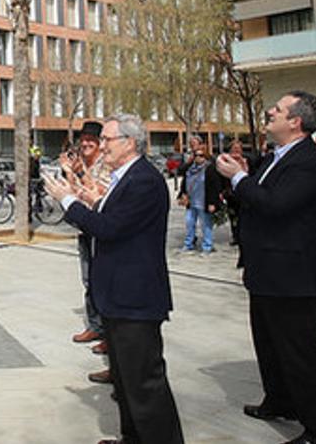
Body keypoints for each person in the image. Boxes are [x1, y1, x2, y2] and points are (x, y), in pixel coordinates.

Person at [45, 114, 184, 444]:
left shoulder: (144, 180)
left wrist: (68, 200)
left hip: (135, 296)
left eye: (107, 140)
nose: (101, 146)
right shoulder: (125, 177)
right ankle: (132, 437)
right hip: (117, 294)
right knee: (125, 380)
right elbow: (116, 217)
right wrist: (93, 200)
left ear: (130, 143)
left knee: (144, 383)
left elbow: (110, 229)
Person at [215, 91, 316, 444]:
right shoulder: (276, 156)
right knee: (269, 343)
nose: (269, 112)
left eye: (278, 110)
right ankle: (280, 400)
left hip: (295, 275)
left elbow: (277, 205)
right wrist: (237, 185)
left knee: (300, 353)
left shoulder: (309, 161)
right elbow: (259, 200)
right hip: (267, 269)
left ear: (295, 121)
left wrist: (239, 179)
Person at [65, 121, 108, 353]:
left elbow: (101, 194)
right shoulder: (80, 163)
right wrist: (70, 173)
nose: (86, 143)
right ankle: (96, 326)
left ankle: (110, 334)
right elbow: (75, 193)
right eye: (83, 139)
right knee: (88, 280)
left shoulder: (106, 165)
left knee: (103, 281)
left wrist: (80, 173)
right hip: (84, 228)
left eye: (92, 139)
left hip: (101, 229)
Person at [177, 143, 222, 254]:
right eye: (196, 155)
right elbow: (184, 180)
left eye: (201, 155)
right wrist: (181, 194)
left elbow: (214, 187)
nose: (198, 157)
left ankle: (207, 245)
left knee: (206, 224)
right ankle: (189, 244)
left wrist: (213, 203)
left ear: (205, 156)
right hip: (191, 202)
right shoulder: (190, 168)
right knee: (189, 223)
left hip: (204, 201)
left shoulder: (210, 169)